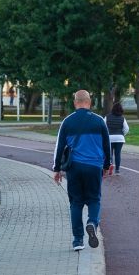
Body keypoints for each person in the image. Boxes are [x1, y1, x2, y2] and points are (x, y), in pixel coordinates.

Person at [53, 90, 111, 251]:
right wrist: (107, 165)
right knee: (94, 199)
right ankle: (92, 222)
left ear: (75, 102)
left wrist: (57, 168)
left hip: (75, 168)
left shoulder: (67, 121)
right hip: (94, 167)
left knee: (76, 203)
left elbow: (59, 147)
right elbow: (107, 146)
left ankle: (78, 240)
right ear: (89, 102)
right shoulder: (99, 121)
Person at [104, 102, 129, 175]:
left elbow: (103, 126)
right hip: (120, 138)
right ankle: (117, 170)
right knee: (118, 154)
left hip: (110, 138)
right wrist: (122, 134)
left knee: (110, 153)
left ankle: (110, 165)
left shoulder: (107, 117)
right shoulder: (122, 118)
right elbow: (126, 128)